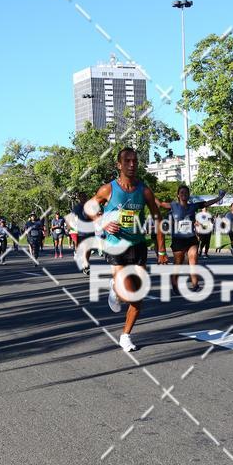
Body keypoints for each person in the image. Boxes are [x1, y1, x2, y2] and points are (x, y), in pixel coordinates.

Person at [86, 147, 168, 352]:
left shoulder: (144, 191)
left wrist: (161, 251)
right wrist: (103, 221)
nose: (132, 165)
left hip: (138, 246)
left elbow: (158, 219)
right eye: (127, 161)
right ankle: (116, 287)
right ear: (119, 165)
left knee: (138, 297)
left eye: (135, 161)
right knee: (128, 294)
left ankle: (125, 336)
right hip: (116, 246)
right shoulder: (108, 189)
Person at [156, 185, 224, 294]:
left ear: (188, 195)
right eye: (182, 193)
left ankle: (195, 284)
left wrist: (219, 198)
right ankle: (174, 282)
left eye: (186, 193)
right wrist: (147, 193)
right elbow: (160, 204)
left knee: (193, 259)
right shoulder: (173, 205)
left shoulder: (193, 206)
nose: (184, 194)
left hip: (191, 238)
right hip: (178, 239)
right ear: (178, 195)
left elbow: (206, 204)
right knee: (178, 263)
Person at [68, 193, 94, 274]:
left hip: (91, 230)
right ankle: (85, 265)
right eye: (82, 197)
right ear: (79, 198)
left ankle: (86, 263)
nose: (84, 198)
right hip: (82, 232)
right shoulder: (77, 207)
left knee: (89, 249)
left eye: (85, 196)